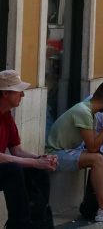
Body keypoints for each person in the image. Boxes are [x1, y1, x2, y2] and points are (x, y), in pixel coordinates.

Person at [46, 82, 103, 222]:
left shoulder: (91, 113)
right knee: (97, 159)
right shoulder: (83, 112)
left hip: (66, 151)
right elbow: (93, 148)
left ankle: (97, 206)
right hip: (54, 154)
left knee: (100, 160)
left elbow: (92, 147)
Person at [0, 70, 57, 229]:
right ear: (5, 93)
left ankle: (41, 222)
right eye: (19, 91)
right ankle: (20, 225)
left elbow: (17, 150)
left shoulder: (7, 115)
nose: (23, 95)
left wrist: (41, 160)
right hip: (6, 169)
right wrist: (33, 162)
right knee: (13, 170)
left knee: (37, 171)